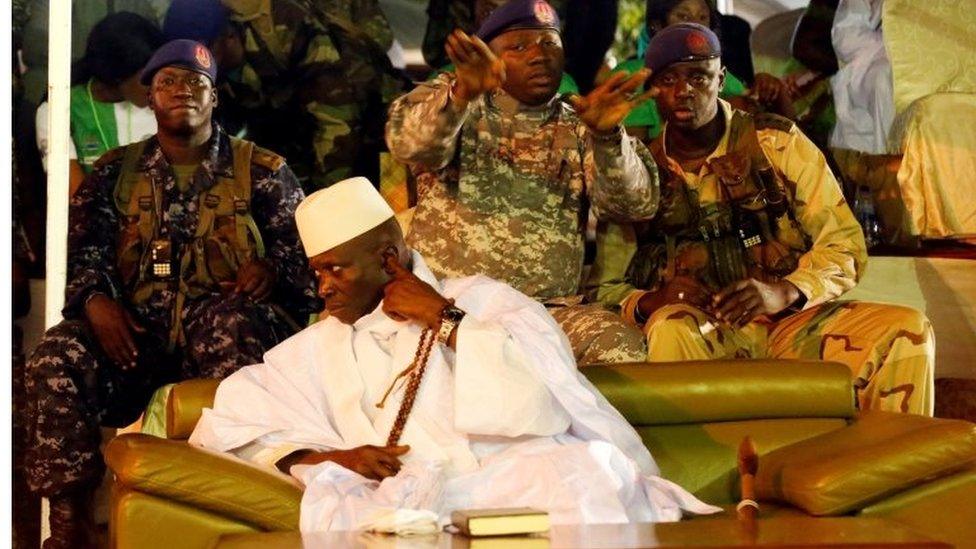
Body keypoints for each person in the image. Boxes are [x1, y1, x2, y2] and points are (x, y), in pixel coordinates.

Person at [190, 177, 720, 532]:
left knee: (581, 473)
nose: (322, 288)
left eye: (335, 269)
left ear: (388, 258)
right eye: (317, 272)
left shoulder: (483, 299)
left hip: (506, 482)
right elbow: (233, 418)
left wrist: (445, 319)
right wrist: (329, 458)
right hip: (397, 498)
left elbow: (544, 400)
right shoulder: (320, 343)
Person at [24, 40, 318, 548]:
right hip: (134, 340)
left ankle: (231, 511)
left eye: (195, 83)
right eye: (167, 82)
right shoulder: (116, 173)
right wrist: (97, 304)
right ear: (150, 99)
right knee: (55, 355)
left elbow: (312, 265)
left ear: (214, 98)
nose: (182, 91)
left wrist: (270, 269)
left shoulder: (263, 170)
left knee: (233, 323)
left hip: (224, 341)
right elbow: (83, 254)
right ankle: (70, 523)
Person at [587, 24, 934, 416]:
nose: (684, 90)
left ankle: (890, 468)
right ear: (652, 90)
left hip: (793, 323)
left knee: (906, 330)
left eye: (698, 76)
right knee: (669, 326)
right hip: (703, 332)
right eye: (668, 79)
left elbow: (844, 245)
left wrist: (786, 291)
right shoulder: (638, 173)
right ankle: (704, 470)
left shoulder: (776, 144)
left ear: (721, 79)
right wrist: (654, 300)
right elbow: (605, 287)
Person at [387, 0, 660, 365]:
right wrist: (462, 95)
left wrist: (608, 136)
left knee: (619, 346)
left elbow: (633, 205)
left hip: (544, 313)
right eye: (519, 46)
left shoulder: (580, 122)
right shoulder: (454, 101)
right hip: (446, 303)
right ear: (490, 57)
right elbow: (409, 145)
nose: (539, 56)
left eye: (550, 44)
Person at [162, 0, 405, 191]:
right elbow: (217, 135)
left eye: (201, 53)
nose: (194, 66)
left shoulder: (286, 25)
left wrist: (325, 200)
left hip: (375, 122)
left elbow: (336, 123)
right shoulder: (209, 72)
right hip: (299, 129)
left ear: (228, 35)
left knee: (376, 214)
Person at [616, 0, 794, 142]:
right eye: (683, 15)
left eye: (702, 17)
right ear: (657, 25)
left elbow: (747, 103)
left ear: (721, 78)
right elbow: (630, 149)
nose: (695, 25)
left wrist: (769, 87)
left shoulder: (712, 69)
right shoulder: (633, 75)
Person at [35, 11, 163, 196]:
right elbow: (76, 199)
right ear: (117, 73)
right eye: (147, 77)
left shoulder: (167, 105)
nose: (157, 85)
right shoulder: (60, 110)